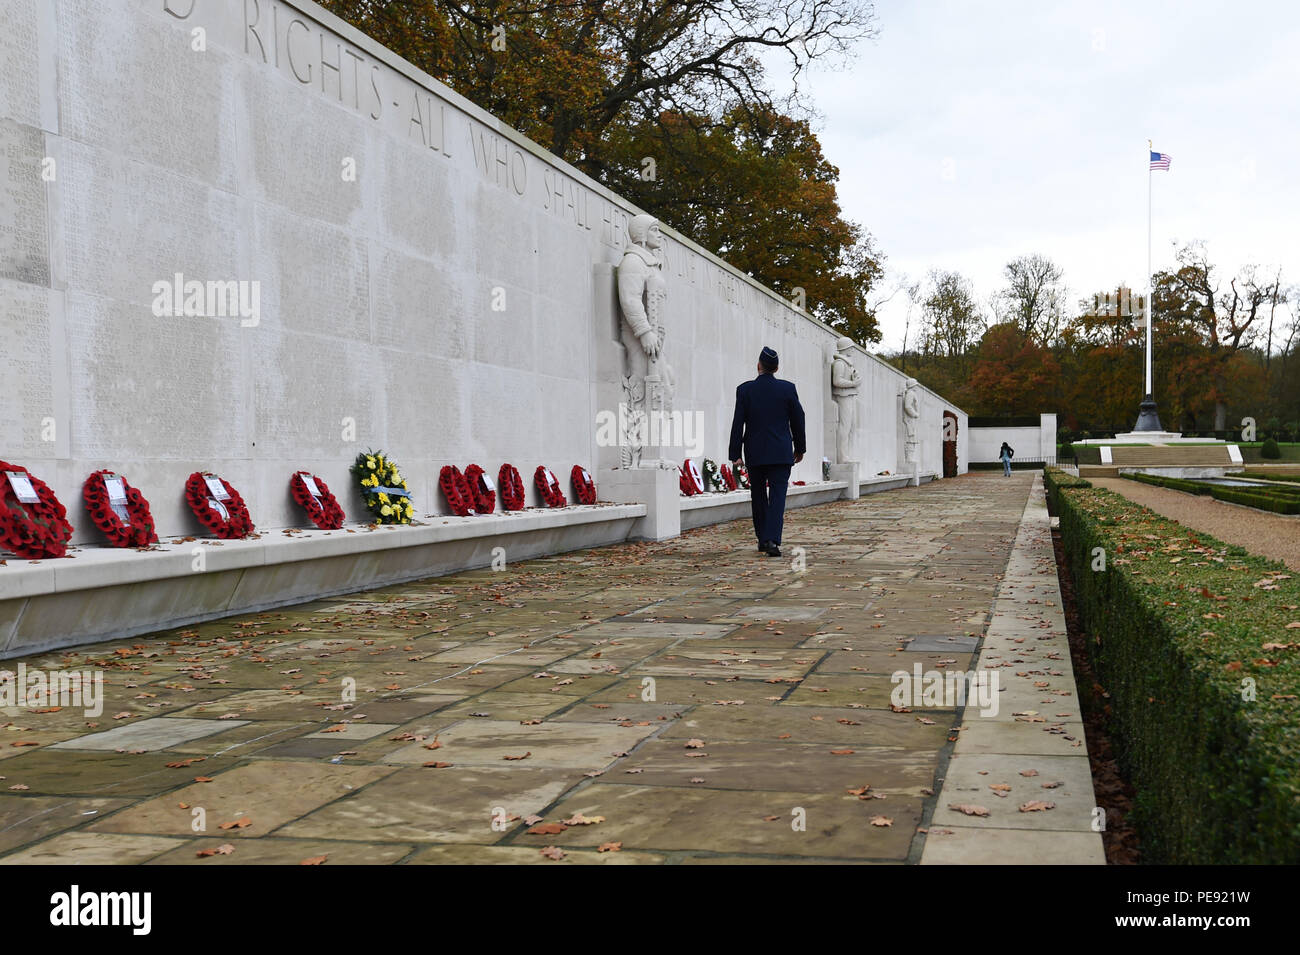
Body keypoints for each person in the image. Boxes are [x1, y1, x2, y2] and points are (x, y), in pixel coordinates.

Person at [728, 347, 806, 557]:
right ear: (777, 368)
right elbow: (798, 419)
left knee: (759, 496)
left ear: (759, 366)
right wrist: (800, 448)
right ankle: (771, 539)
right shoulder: (788, 389)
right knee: (778, 496)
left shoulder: (745, 390)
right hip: (781, 452)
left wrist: (735, 452)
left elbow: (738, 423)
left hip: (755, 452)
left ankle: (763, 539)